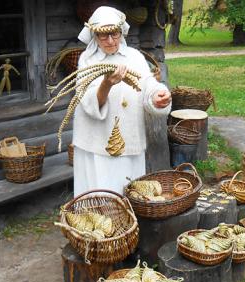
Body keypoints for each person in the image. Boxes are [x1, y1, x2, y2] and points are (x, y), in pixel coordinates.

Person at [73, 6, 172, 196]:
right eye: (104, 36)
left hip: (129, 135)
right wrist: (106, 85)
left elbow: (147, 84)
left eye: (115, 34)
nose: (111, 41)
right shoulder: (87, 60)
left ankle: (127, 223)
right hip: (96, 142)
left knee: (128, 189)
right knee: (100, 191)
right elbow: (87, 102)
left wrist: (159, 96)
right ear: (94, 35)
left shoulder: (134, 57)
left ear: (122, 32)